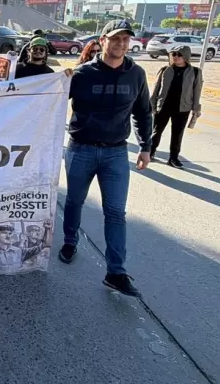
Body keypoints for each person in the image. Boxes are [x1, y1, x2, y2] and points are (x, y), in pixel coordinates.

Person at [59, 19, 152, 298]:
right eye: (115, 38)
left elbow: (143, 112)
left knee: (115, 212)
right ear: (102, 41)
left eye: (125, 39)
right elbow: (51, 103)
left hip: (116, 153)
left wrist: (146, 146)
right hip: (81, 149)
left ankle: (115, 272)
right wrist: (59, 80)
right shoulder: (82, 74)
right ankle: (69, 241)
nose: (121, 44)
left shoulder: (136, 74)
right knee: (74, 201)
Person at [149, 45, 203, 169]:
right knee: (156, 131)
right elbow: (156, 88)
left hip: (182, 108)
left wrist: (196, 108)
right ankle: (150, 152)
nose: (175, 57)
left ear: (186, 56)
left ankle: (173, 158)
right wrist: (152, 105)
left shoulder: (195, 72)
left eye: (179, 54)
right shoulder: (165, 70)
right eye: (173, 54)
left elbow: (197, 91)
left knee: (177, 134)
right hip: (163, 106)